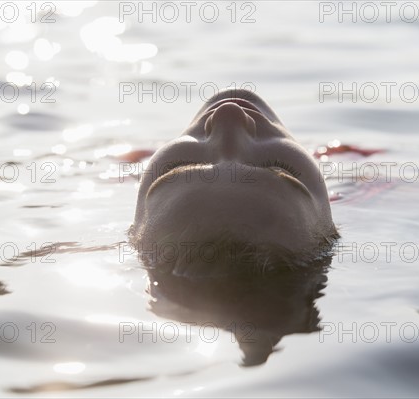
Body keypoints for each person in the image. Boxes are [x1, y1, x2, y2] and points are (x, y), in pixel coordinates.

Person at [129, 88, 338, 277]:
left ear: (134, 229)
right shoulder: (360, 179)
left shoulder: (124, 163)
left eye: (180, 166)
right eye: (278, 168)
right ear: (331, 227)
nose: (228, 112)